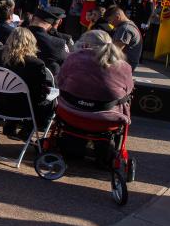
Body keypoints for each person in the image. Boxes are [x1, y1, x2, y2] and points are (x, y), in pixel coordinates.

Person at [56, 31, 134, 161]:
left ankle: (72, 146)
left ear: (85, 45)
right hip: (105, 120)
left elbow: (60, 81)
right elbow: (128, 90)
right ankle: (104, 151)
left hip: (71, 114)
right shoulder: (124, 67)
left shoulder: (73, 58)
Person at [0, 28, 55, 140]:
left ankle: (10, 126)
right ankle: (27, 129)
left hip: (1, 104)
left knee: (15, 92)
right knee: (48, 101)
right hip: (24, 109)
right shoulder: (36, 64)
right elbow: (39, 94)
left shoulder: (1, 55)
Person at [25, 6, 70, 75]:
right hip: (44, 82)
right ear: (50, 25)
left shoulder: (16, 35)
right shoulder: (58, 43)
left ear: (32, 19)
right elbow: (68, 64)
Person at [106, 6, 142, 71]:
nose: (109, 23)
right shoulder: (129, 24)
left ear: (118, 17)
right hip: (126, 63)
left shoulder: (124, 29)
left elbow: (115, 51)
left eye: (110, 20)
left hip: (124, 65)